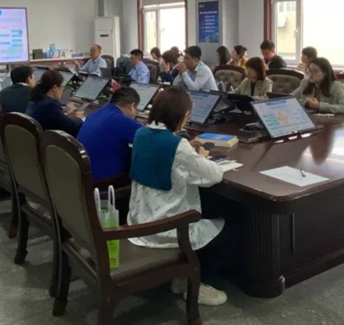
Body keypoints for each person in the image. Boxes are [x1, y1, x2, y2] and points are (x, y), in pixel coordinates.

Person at [128, 87, 231, 306]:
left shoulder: (141, 133)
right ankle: (196, 285)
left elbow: (166, 158)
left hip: (139, 221)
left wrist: (186, 150)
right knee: (230, 226)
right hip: (166, 228)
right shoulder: (178, 146)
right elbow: (214, 175)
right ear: (181, 115)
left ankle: (181, 278)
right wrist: (200, 155)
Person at [77, 87, 143, 182]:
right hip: (103, 181)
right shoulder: (122, 120)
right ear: (131, 106)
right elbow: (149, 138)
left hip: (82, 176)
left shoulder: (95, 114)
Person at [26, 69, 83, 137]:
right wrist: (79, 118)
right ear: (55, 88)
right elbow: (70, 126)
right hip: (46, 140)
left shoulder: (35, 99)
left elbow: (56, 119)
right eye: (62, 87)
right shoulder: (50, 104)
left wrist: (66, 116)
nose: (62, 90)